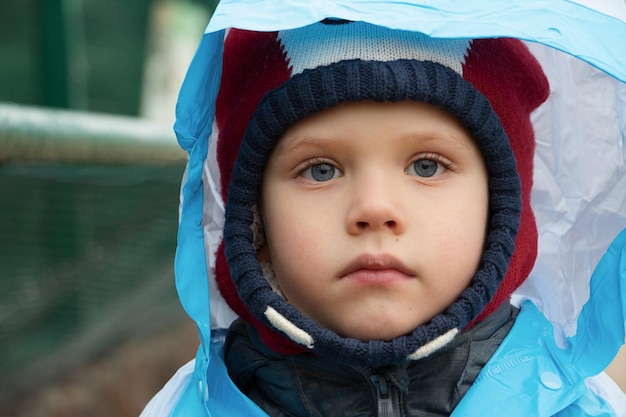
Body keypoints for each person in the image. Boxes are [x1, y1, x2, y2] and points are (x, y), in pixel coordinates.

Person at [141, 16, 626, 417]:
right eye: (321, 170)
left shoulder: (580, 406)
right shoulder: (187, 407)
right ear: (256, 224)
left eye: (427, 165)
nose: (375, 209)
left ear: (501, 213)